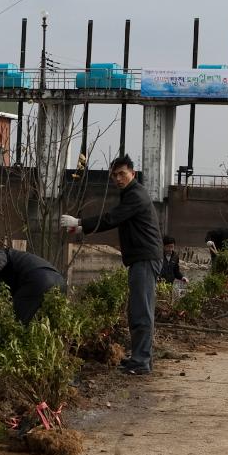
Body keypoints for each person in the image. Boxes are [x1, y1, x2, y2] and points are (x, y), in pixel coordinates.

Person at [60, 154, 162, 376]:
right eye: (114, 175)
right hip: (141, 259)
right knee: (136, 310)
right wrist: (81, 228)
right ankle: (140, 359)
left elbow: (111, 218)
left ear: (132, 174)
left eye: (122, 174)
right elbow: (113, 219)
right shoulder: (130, 195)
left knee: (141, 311)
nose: (118, 179)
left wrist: (80, 223)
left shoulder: (135, 195)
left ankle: (142, 362)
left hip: (145, 259)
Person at [0, 247, 66, 325]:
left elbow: (0, 255)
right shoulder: (17, 268)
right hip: (60, 282)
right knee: (47, 326)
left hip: (38, 280)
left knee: (17, 326)